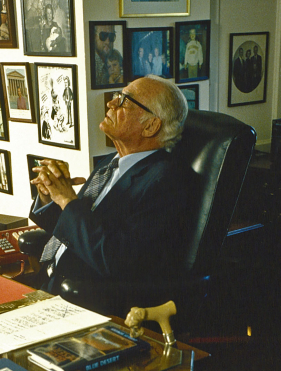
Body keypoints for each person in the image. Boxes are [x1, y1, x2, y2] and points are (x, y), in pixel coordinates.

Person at [29, 75, 196, 295]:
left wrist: (67, 199)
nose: (111, 102)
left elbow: (117, 259)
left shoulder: (166, 181)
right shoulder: (111, 163)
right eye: (119, 95)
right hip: (49, 282)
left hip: (84, 297)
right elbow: (71, 229)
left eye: (125, 100)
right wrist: (50, 194)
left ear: (151, 126)